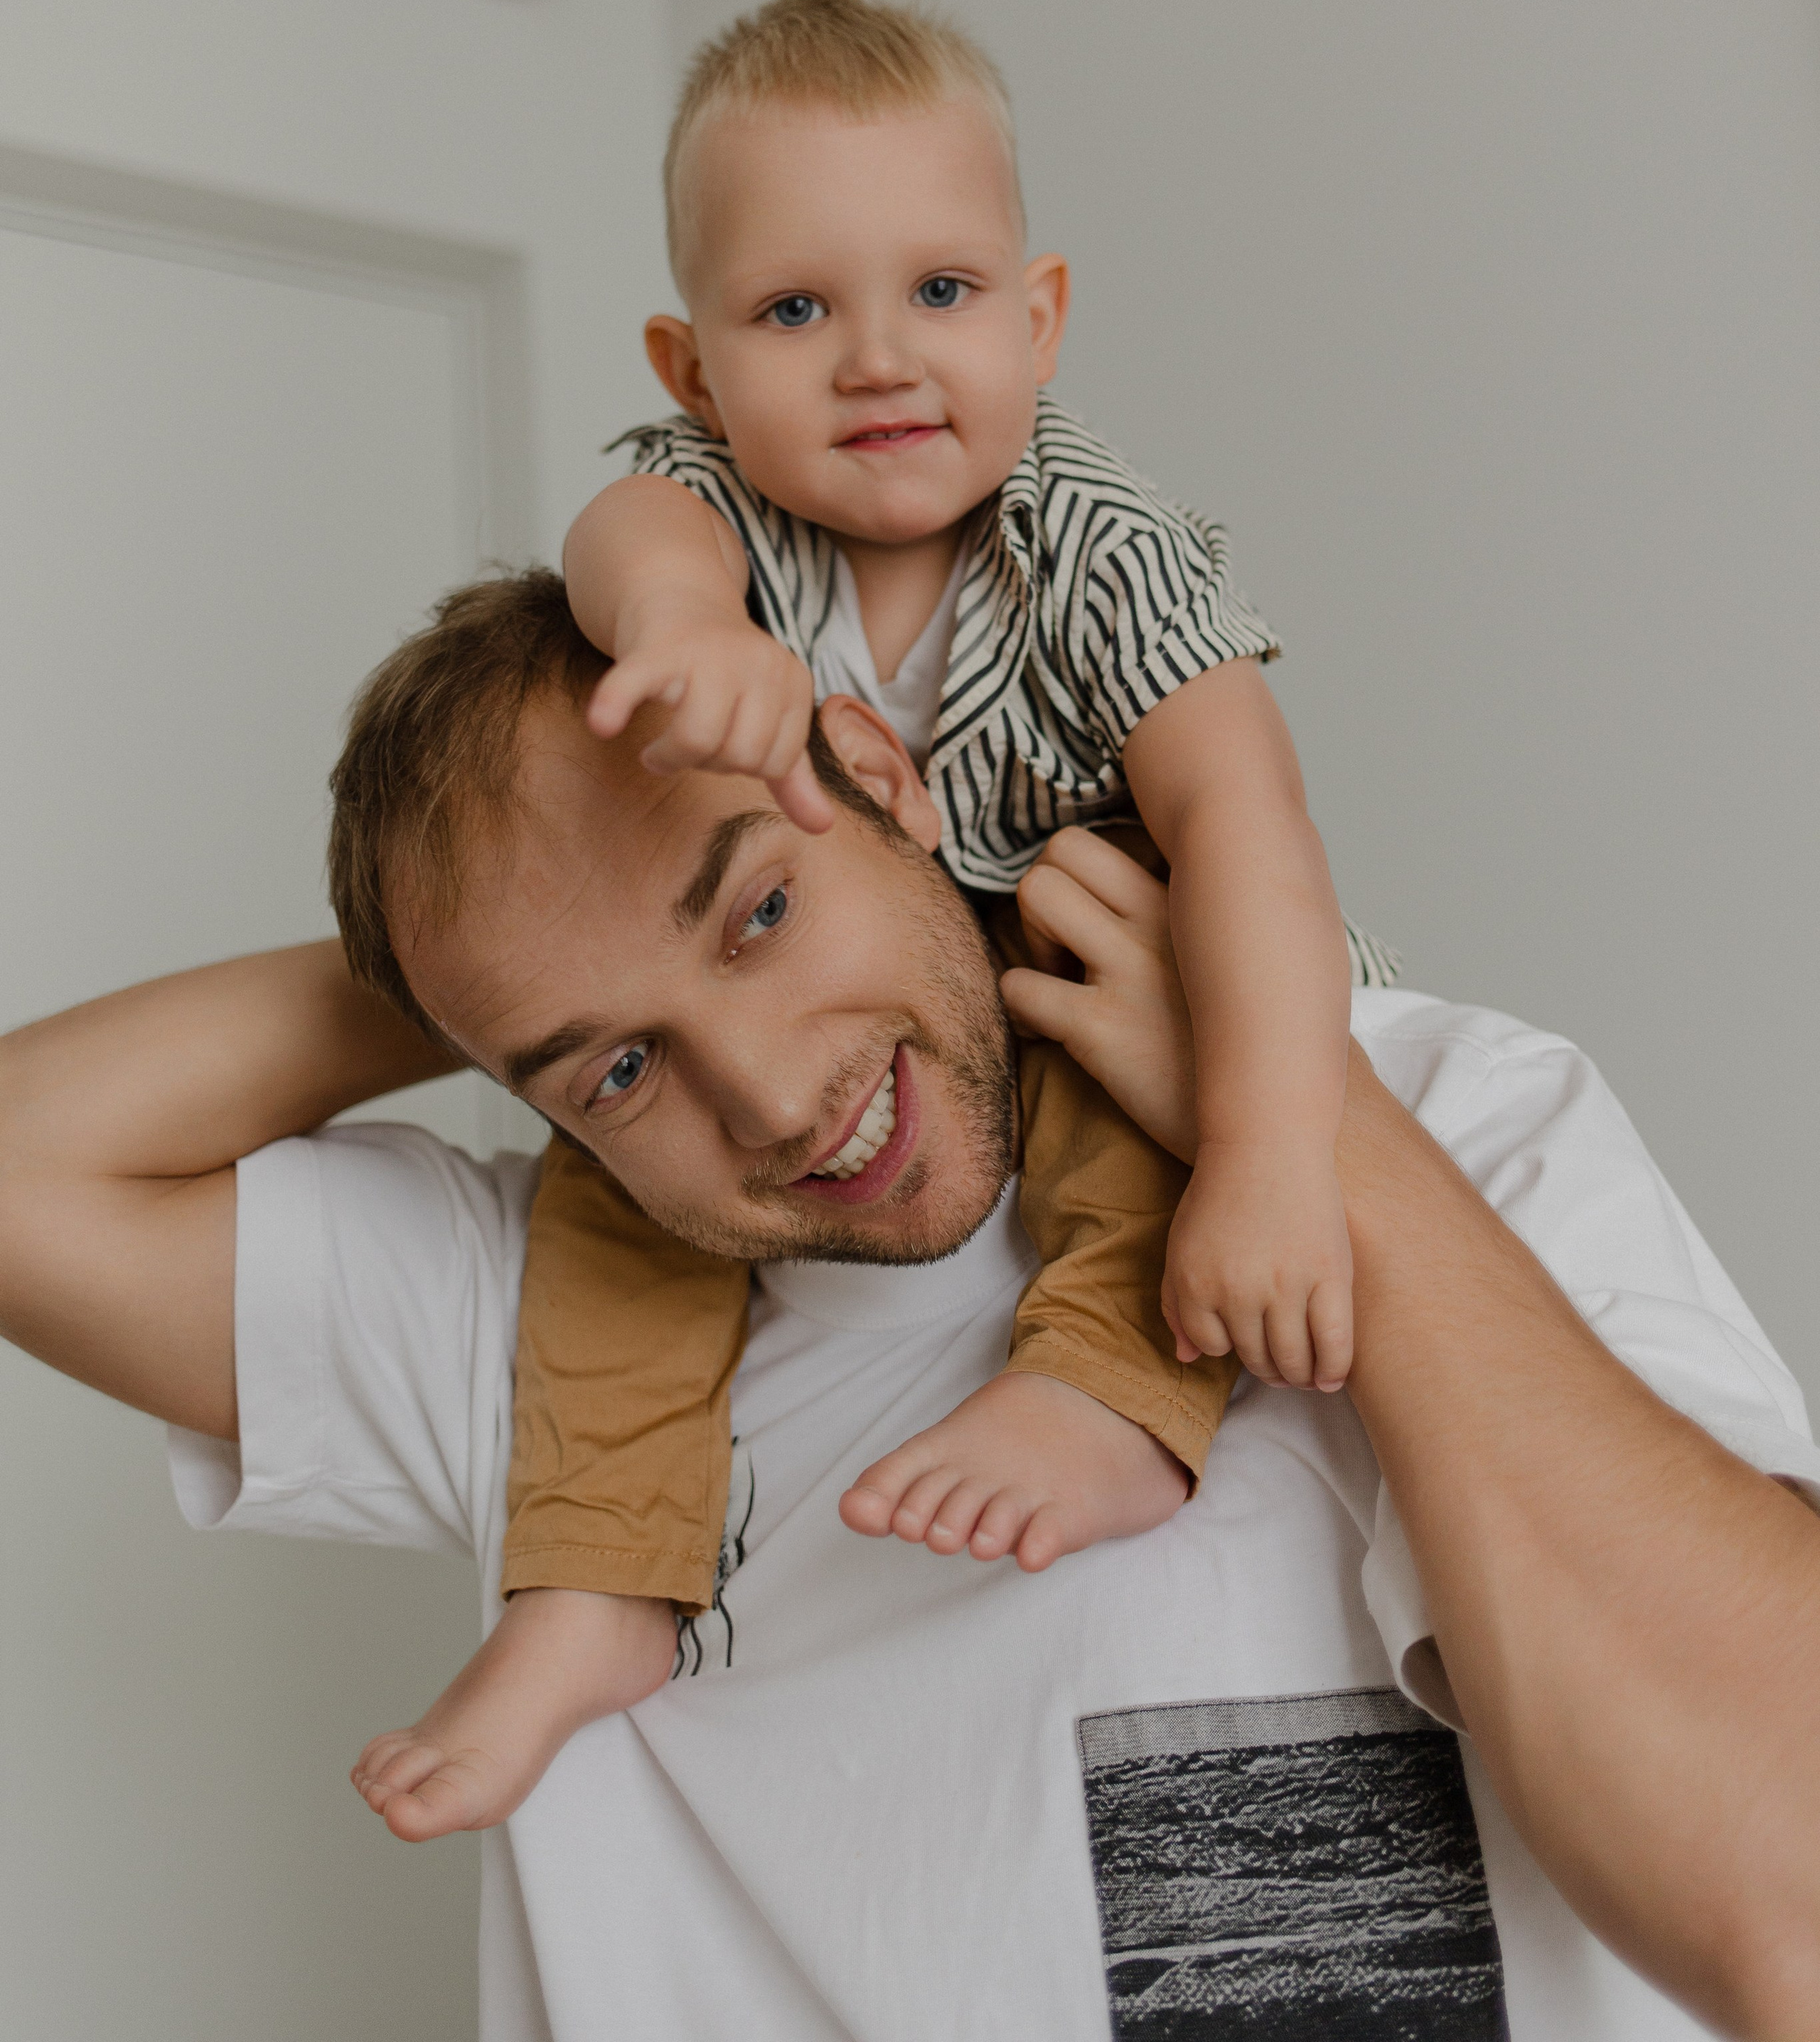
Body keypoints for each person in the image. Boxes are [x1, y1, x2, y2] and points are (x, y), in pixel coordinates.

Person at [2, 568, 1818, 2042]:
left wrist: (1304, 1126)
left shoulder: (1455, 1121)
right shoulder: (550, 1325)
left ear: (879, 773)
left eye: (758, 911)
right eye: (621, 1067)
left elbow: (1784, 1908)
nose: (776, 1101)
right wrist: (499, 942)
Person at [412, 0, 1400, 1834]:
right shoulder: (709, 520)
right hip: (845, 996)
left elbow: (1252, 828)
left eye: (940, 295)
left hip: (1089, 964)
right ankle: (598, 1582)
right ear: (693, 371)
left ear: (1037, 320)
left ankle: (1110, 1402)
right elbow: (626, 549)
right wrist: (685, 632)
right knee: (616, 1200)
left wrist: (1271, 1148)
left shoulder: (1102, 544)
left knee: (1135, 1088)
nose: (876, 359)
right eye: (795, 311)